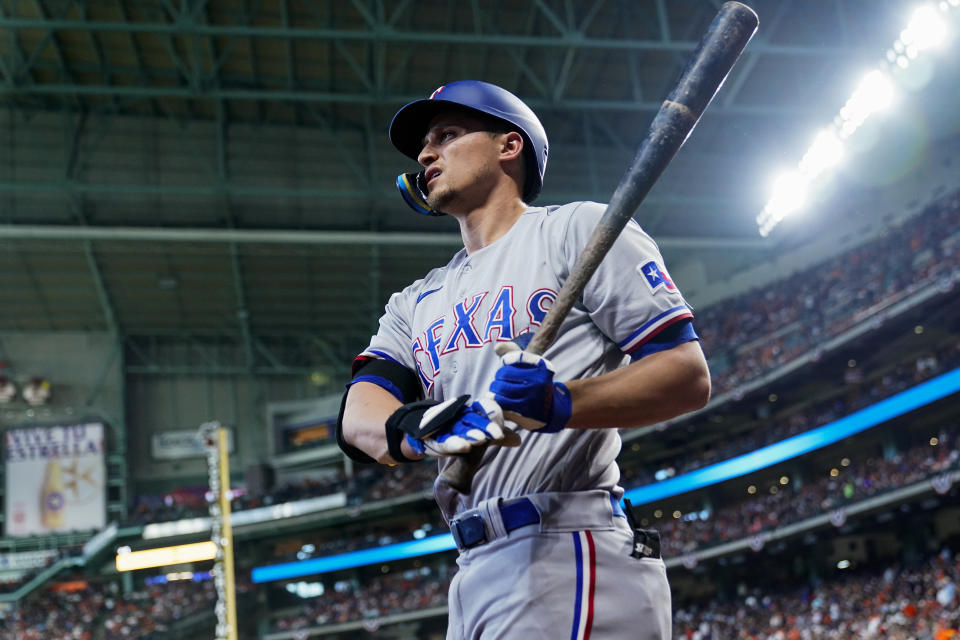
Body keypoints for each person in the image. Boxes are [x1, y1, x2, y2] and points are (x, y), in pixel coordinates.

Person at [337, 80, 711, 640]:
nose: (425, 154)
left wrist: (560, 403)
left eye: (448, 134)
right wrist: (416, 428)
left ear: (508, 145)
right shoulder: (415, 300)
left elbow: (686, 375)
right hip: (473, 567)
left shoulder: (577, 229)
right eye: (423, 145)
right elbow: (356, 416)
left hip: (567, 545)